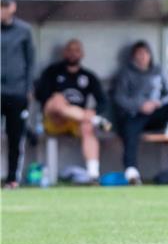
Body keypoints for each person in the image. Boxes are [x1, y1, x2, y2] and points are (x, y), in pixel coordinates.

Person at [112, 40, 168, 184]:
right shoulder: (126, 73)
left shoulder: (157, 70)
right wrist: (140, 105)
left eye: (145, 53)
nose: (142, 57)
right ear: (133, 56)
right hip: (136, 114)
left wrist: (158, 103)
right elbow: (120, 98)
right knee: (129, 130)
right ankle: (132, 171)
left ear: (150, 55)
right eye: (139, 54)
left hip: (156, 112)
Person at [34, 38, 111, 184]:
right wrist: (57, 99)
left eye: (76, 50)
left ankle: (93, 174)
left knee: (87, 125)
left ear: (82, 54)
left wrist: (93, 112)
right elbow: (40, 95)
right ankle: (93, 120)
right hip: (54, 119)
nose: (72, 53)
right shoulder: (52, 72)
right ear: (64, 53)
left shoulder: (88, 76)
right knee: (58, 102)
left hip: (77, 121)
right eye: (69, 50)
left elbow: (103, 102)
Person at [1, 0, 36, 188]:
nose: (2, 10)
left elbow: (30, 61)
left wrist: (28, 87)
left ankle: (12, 178)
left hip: (16, 92)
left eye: (4, 6)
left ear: (12, 7)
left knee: (15, 137)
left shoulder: (24, 30)